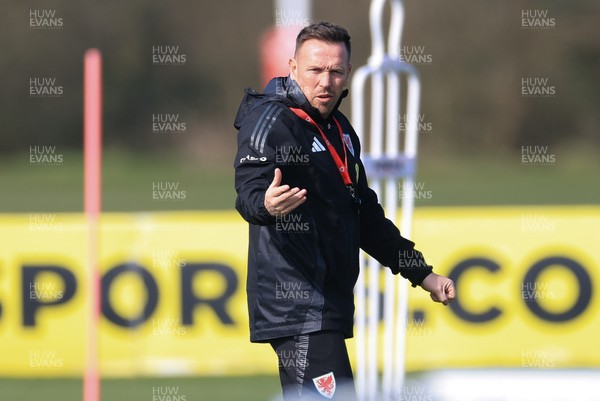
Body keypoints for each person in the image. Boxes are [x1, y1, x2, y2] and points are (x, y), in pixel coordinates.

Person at [233, 21, 455, 401]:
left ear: (347, 72)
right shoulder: (270, 120)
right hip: (296, 305)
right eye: (315, 70)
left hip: (328, 305)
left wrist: (423, 274)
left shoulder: (340, 129)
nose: (325, 81)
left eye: (335, 71)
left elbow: (364, 214)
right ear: (292, 67)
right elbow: (249, 191)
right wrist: (266, 205)